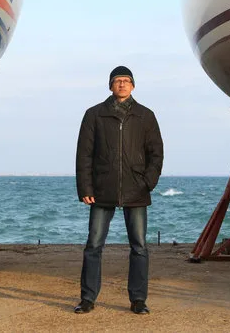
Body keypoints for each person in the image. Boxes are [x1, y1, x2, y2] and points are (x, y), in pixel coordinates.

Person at [74, 66, 164, 315]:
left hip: (137, 189)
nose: (122, 84)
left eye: (126, 81)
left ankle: (138, 300)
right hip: (102, 189)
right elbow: (84, 154)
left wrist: (148, 182)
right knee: (93, 244)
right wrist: (85, 187)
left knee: (139, 246)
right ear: (110, 86)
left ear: (133, 85)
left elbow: (156, 153)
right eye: (117, 81)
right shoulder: (94, 115)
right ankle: (88, 299)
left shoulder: (146, 116)